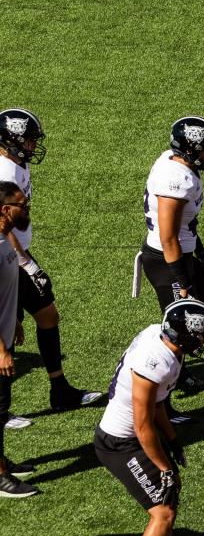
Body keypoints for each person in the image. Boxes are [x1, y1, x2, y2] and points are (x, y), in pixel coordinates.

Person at [94, 298, 204, 536]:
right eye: (200, 335)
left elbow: (159, 403)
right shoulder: (156, 361)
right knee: (162, 510)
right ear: (183, 335)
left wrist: (173, 441)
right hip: (120, 442)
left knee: (170, 491)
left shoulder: (162, 343)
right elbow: (143, 423)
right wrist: (163, 465)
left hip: (134, 436)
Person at [0, 108, 103, 425]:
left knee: (47, 315)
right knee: (5, 335)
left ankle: (60, 390)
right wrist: (27, 264)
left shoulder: (17, 163)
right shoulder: (4, 172)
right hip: (8, 256)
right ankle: (1, 411)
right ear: (10, 140)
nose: (33, 146)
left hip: (17, 253)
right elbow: (2, 227)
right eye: (28, 140)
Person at [139, 115, 204, 422]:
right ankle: (163, 404)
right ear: (189, 147)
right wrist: (182, 282)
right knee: (179, 333)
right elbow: (168, 235)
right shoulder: (176, 179)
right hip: (166, 259)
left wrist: (199, 250)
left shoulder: (177, 164)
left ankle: (181, 371)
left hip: (180, 253)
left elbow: (184, 225)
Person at [0, 181, 39, 497]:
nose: (25, 209)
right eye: (21, 204)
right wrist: (2, 350)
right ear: (5, 209)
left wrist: (15, 321)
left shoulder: (4, 240)